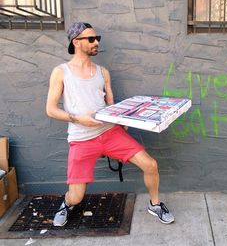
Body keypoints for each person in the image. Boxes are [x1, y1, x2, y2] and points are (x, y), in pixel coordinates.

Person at [46, 22, 174, 226]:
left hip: (110, 132)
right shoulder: (61, 72)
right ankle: (67, 203)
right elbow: (50, 110)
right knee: (76, 197)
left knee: (151, 164)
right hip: (81, 138)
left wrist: (121, 121)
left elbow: (110, 105)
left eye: (97, 38)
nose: (96, 42)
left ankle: (155, 204)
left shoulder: (102, 71)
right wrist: (78, 119)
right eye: (91, 39)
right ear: (76, 42)